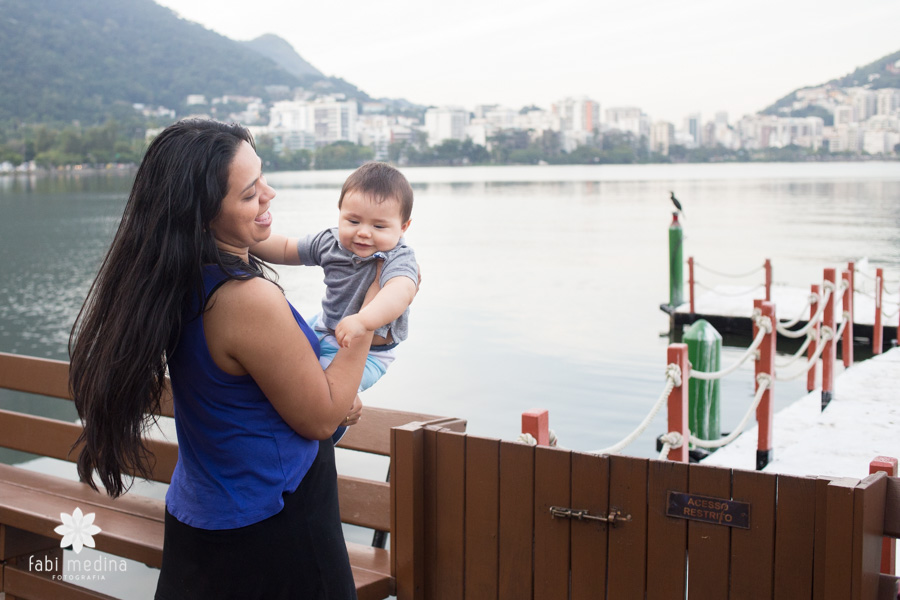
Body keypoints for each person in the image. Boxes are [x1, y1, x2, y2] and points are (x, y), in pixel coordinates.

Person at [68, 119, 378, 599]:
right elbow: (319, 419)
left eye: (264, 180)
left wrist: (336, 397)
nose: (269, 195)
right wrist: (369, 316)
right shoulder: (244, 299)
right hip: (274, 527)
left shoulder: (175, 280)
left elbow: (248, 394)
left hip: (201, 516)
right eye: (250, 193)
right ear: (204, 213)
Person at [252, 161, 418, 403]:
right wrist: (245, 241)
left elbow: (400, 292)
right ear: (340, 212)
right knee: (273, 354)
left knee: (322, 394)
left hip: (370, 352)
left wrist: (363, 320)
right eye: (353, 221)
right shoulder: (330, 242)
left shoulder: (397, 257)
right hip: (324, 326)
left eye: (379, 226)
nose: (363, 232)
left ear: (403, 227)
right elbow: (287, 249)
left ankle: (343, 410)